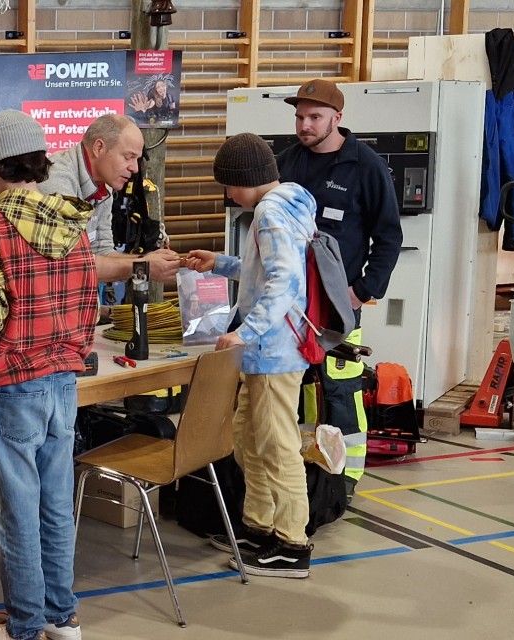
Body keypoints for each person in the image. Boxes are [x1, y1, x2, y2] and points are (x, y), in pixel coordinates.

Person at [0, 109, 96, 640]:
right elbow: (89, 306)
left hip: (12, 385)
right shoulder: (72, 221)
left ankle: (25, 627)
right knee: (55, 504)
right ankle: (63, 618)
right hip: (64, 381)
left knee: (16, 514)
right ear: (39, 164)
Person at [182, 132, 319, 578]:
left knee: (277, 445)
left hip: (274, 354)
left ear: (243, 179)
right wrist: (220, 263)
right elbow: (263, 271)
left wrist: (245, 332)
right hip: (264, 353)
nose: (228, 195)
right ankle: (260, 527)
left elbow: (285, 283)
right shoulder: (283, 206)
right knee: (249, 439)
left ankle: (292, 544)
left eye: (228, 185)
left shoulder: (270, 213)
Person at [273, 78, 401, 493]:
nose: (304, 125)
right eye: (299, 117)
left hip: (337, 309)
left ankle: (344, 479)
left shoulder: (366, 166)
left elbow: (388, 237)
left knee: (338, 392)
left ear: (337, 118)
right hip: (290, 306)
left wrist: (360, 292)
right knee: (291, 392)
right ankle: (303, 477)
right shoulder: (286, 163)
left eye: (314, 117)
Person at [38, 113, 180, 285]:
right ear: (99, 147)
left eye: (137, 159)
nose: (135, 168)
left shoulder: (104, 185)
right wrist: (142, 266)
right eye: (128, 157)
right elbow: (71, 265)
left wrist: (149, 260)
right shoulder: (56, 183)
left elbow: (102, 252)